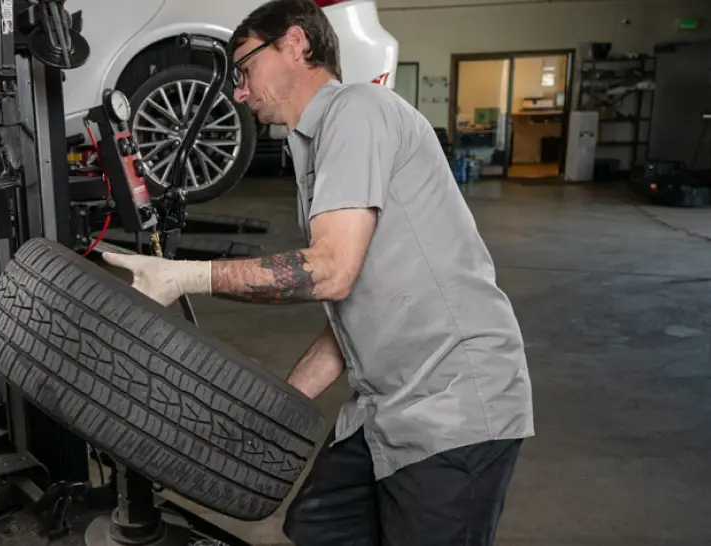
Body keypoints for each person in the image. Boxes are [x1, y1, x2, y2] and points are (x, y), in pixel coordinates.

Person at [101, 0, 534, 544]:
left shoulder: (358, 110)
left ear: (296, 44)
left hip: (453, 403)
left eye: (245, 68)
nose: (238, 91)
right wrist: (277, 408)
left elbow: (329, 273)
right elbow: (350, 311)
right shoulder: (319, 147)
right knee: (318, 524)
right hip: (387, 405)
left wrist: (185, 277)